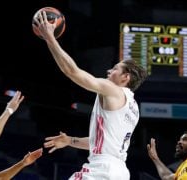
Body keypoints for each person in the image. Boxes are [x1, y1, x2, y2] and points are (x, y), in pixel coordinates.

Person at [34, 11, 148, 179]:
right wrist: (70, 141)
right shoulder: (133, 107)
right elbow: (100, 142)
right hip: (120, 172)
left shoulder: (112, 89)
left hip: (102, 169)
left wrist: (50, 38)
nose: (109, 70)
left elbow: (72, 72)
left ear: (126, 77)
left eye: (115, 68)